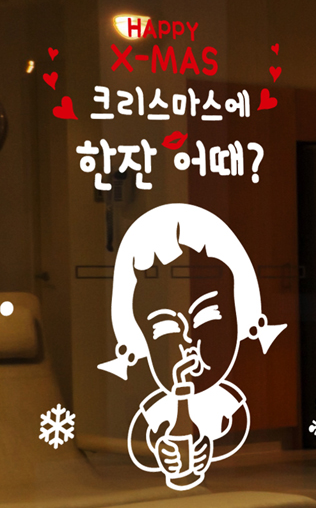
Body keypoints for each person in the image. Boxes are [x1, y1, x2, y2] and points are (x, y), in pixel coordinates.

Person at [98, 203, 286, 491]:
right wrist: (161, 449)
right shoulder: (156, 407)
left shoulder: (226, 400)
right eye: (166, 327)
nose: (188, 342)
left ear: (241, 315)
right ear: (138, 336)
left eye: (207, 317)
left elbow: (236, 426)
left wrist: (207, 445)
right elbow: (140, 439)